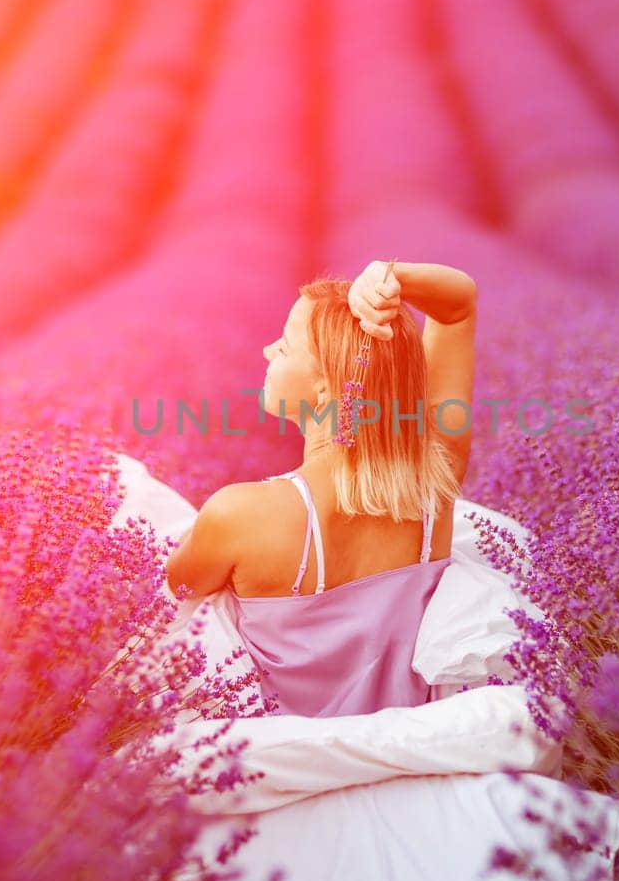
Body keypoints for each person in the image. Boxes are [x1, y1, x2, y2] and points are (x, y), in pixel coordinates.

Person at [164, 259, 478, 717]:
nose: (268, 350)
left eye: (286, 347)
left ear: (327, 389)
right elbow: (458, 305)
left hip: (280, 760)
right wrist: (394, 275)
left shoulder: (239, 515)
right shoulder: (437, 480)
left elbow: (172, 589)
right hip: (394, 744)